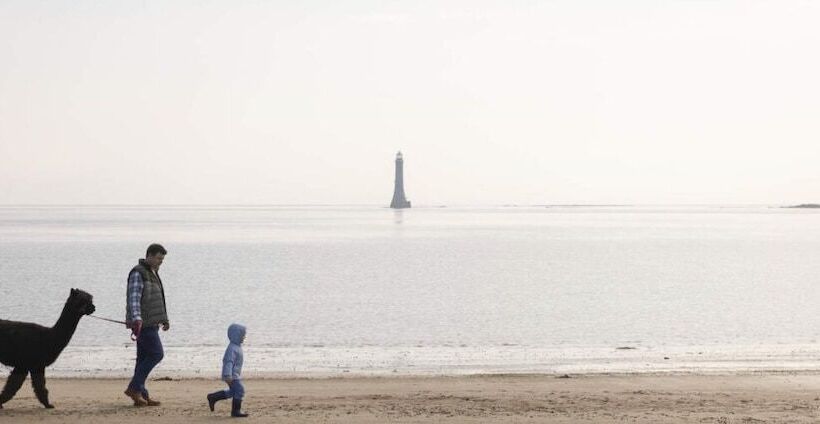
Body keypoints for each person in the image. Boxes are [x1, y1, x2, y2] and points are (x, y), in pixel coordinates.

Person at [123, 243, 170, 407]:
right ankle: (134, 388)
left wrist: (164, 319)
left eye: (162, 259)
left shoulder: (152, 273)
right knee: (157, 354)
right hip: (143, 323)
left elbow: (157, 299)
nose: (160, 262)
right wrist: (137, 319)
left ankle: (141, 395)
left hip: (152, 322)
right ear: (149, 256)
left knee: (142, 359)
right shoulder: (138, 273)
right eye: (158, 258)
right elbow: (134, 298)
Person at [207, 323, 249, 418]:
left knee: (233, 392)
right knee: (240, 390)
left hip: (234, 374)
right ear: (236, 335)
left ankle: (213, 397)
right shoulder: (232, 348)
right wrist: (227, 375)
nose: (244, 337)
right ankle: (235, 411)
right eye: (242, 335)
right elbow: (228, 362)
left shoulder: (237, 347)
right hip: (231, 375)